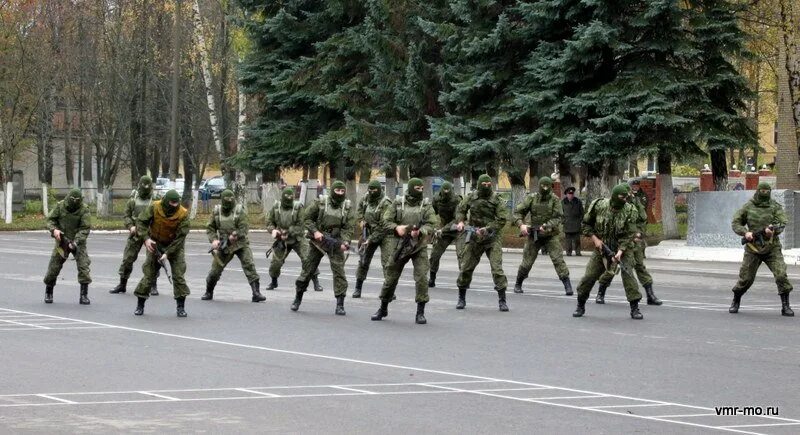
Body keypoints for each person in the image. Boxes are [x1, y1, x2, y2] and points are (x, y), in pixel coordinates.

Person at [371, 178, 438, 324]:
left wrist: (420, 231)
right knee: (391, 276)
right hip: (400, 245)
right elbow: (385, 221)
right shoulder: (398, 203)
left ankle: (420, 312)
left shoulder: (425, 205)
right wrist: (397, 228)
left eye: (422, 188)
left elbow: (432, 224)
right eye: (417, 188)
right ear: (412, 188)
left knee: (421, 278)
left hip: (419, 246)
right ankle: (383, 307)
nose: (420, 190)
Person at [572, 184, 644, 319]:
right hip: (601, 247)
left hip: (623, 248)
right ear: (615, 196)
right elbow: (585, 225)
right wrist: (595, 240)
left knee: (628, 275)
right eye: (622, 197)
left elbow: (630, 234)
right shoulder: (599, 206)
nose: (625, 200)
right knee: (589, 276)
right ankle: (580, 305)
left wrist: (621, 251)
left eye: (626, 197)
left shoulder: (630, 210)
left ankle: (635, 308)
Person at [729, 182, 793, 316]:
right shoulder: (748, 206)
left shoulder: (775, 206)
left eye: (767, 191)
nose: (764, 194)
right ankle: (736, 300)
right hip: (753, 248)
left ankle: (785, 306)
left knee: (781, 275)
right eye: (762, 191)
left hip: (772, 248)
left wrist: (773, 231)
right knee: (746, 279)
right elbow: (736, 222)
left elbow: (782, 222)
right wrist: (745, 233)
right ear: (758, 191)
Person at [291, 180, 355, 315]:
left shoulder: (347, 207)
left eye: (342, 191)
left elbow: (348, 227)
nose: (340, 193)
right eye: (337, 190)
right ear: (332, 191)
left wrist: (345, 241)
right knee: (308, 270)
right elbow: (307, 218)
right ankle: (298, 298)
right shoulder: (320, 202)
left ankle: (340, 304)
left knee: (339, 273)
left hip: (335, 243)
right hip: (318, 242)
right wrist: (315, 231)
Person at [595, 182, 662, 305]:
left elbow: (643, 220)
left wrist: (639, 234)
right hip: (618, 242)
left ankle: (650, 295)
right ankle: (601, 292)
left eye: (628, 193)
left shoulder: (635, 203)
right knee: (612, 268)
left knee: (640, 266)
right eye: (625, 194)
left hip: (634, 241)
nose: (627, 195)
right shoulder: (613, 204)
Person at [454, 174, 510, 311]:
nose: (486, 187)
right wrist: (461, 221)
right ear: (479, 185)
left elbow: (502, 219)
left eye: (488, 184)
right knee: (465, 267)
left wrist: (487, 229)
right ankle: (461, 298)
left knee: (497, 269)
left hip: (492, 238)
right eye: (483, 185)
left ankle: (502, 300)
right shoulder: (471, 197)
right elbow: (461, 209)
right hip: (474, 237)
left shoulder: (496, 199)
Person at [132, 189, 191, 317]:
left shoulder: (183, 214)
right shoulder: (155, 207)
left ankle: (181, 307)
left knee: (179, 275)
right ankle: (140, 305)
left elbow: (181, 237)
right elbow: (141, 222)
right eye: (171, 203)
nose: (174, 206)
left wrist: (168, 253)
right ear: (165, 201)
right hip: (156, 243)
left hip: (175, 245)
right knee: (148, 275)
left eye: (176, 203)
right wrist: (146, 239)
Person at [201, 190, 265, 303]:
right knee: (215, 270)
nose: (229, 203)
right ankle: (209, 291)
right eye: (226, 201)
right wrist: (214, 240)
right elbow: (210, 228)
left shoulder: (239, 211)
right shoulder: (217, 212)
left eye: (231, 200)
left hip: (240, 244)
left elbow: (244, 228)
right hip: (225, 245)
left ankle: (256, 293)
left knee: (249, 265)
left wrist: (236, 235)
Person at [512, 177, 572, 295]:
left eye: (547, 186)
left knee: (558, 260)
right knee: (527, 261)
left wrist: (546, 226)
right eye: (542, 186)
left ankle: (567, 285)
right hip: (534, 235)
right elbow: (518, 212)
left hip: (550, 235)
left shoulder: (555, 200)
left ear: (551, 187)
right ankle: (518, 283)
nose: (544, 188)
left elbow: (559, 217)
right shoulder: (532, 198)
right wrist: (521, 225)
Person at [265, 187, 323, 291]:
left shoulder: (298, 207)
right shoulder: (276, 207)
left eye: (290, 196)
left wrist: (288, 232)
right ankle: (273, 281)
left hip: (298, 239)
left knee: (308, 259)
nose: (288, 198)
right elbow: (269, 222)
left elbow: (301, 225)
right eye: (286, 196)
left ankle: (316, 282)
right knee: (276, 262)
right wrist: (273, 230)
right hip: (281, 240)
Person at [110, 176, 160, 296]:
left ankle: (153, 285)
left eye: (148, 187)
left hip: (151, 233)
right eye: (144, 186)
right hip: (136, 232)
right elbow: (126, 215)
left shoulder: (156, 200)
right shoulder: (133, 199)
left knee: (152, 260)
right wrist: (130, 226)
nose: (145, 189)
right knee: (128, 258)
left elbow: (160, 216)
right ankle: (122, 284)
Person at [43, 188, 92, 305]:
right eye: (72, 199)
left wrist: (75, 242)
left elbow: (85, 229)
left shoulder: (84, 210)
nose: (74, 202)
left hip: (78, 243)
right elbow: (50, 220)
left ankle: (84, 295)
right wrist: (54, 230)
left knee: (84, 267)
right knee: (53, 268)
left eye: (77, 200)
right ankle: (48, 291)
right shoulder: (60, 206)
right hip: (62, 241)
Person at [353, 180, 393, 298]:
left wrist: (370, 239)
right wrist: (361, 221)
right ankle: (358, 288)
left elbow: (384, 225)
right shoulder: (365, 199)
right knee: (363, 260)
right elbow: (359, 211)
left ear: (379, 190)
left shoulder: (386, 203)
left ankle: (389, 290)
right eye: (369, 190)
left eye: (374, 190)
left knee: (388, 263)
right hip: (368, 232)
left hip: (385, 235)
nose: (371, 192)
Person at [428, 181, 464, 288]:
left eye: (449, 190)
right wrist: (432, 226)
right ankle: (432, 278)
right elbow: (431, 213)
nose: (446, 192)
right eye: (445, 191)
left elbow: (457, 219)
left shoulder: (457, 200)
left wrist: (442, 230)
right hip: (444, 230)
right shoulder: (436, 199)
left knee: (461, 255)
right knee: (435, 254)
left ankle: (463, 280)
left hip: (458, 229)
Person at [562, 186, 583, 256]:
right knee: (568, 240)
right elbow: (560, 213)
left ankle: (578, 251)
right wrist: (563, 221)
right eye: (569, 194)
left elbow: (582, 212)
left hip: (576, 223)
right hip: (567, 223)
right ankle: (568, 252)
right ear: (566, 194)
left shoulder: (578, 202)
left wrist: (580, 220)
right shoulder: (563, 202)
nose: (571, 195)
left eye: (572, 194)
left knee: (577, 239)